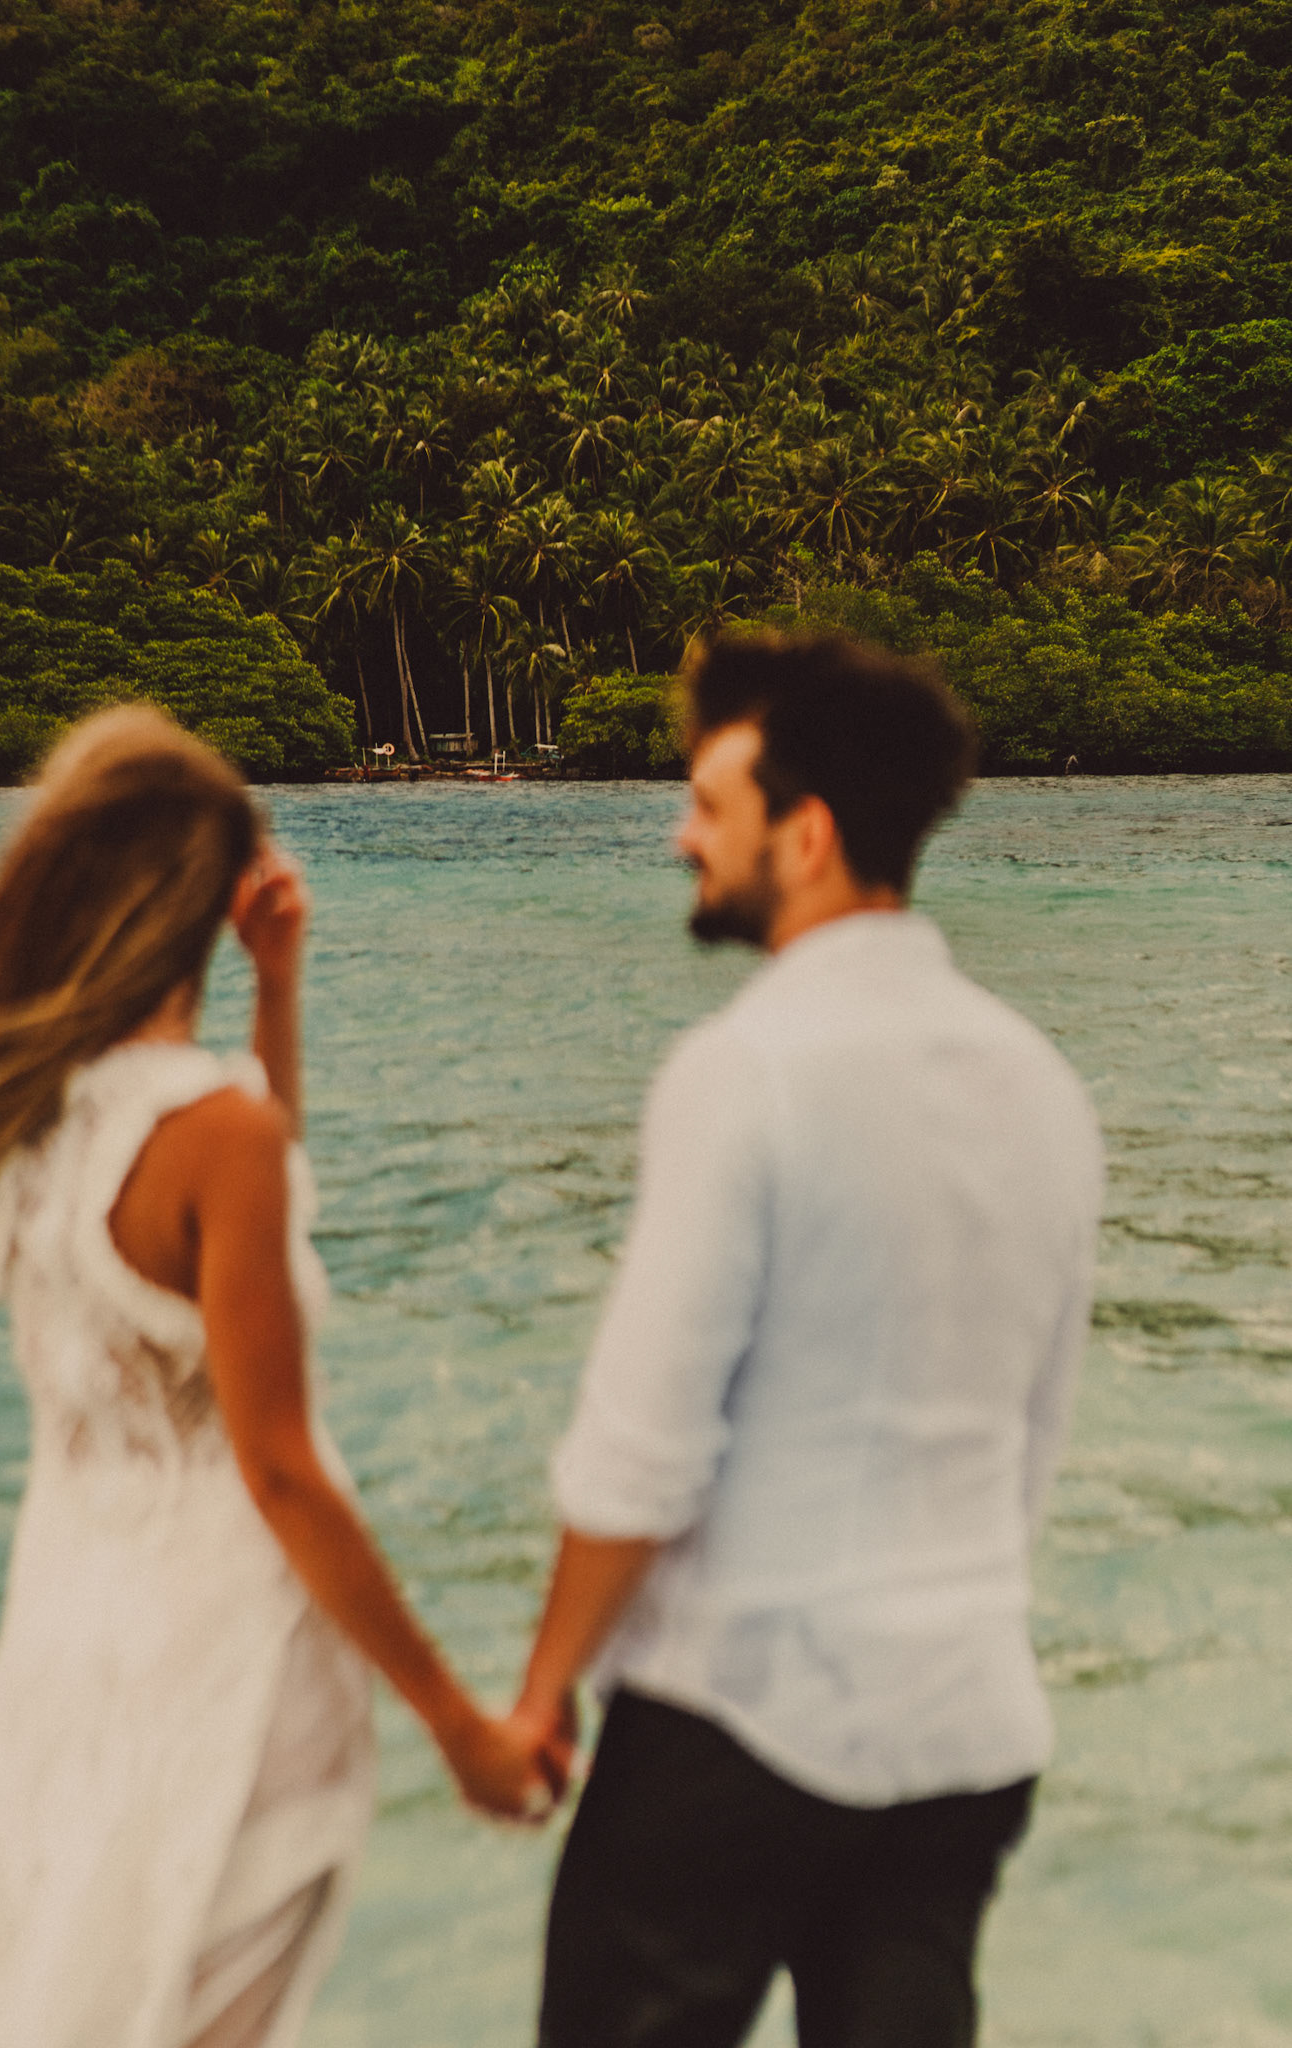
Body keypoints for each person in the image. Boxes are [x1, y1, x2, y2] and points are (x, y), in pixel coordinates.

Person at [0, 705, 551, 2048]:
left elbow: (244, 1219)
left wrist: (275, 992)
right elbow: (279, 1467)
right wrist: (458, 1725)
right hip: (229, 1670)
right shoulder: (213, 1133)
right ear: (208, 900)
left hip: (67, 1655)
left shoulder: (39, 1117)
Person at [510, 632, 1104, 2048]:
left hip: (737, 1722)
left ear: (809, 834)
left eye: (710, 807)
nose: (682, 838)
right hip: (960, 1731)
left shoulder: (743, 1073)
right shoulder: (1040, 1084)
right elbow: (1034, 1435)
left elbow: (640, 1457)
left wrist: (541, 1695)